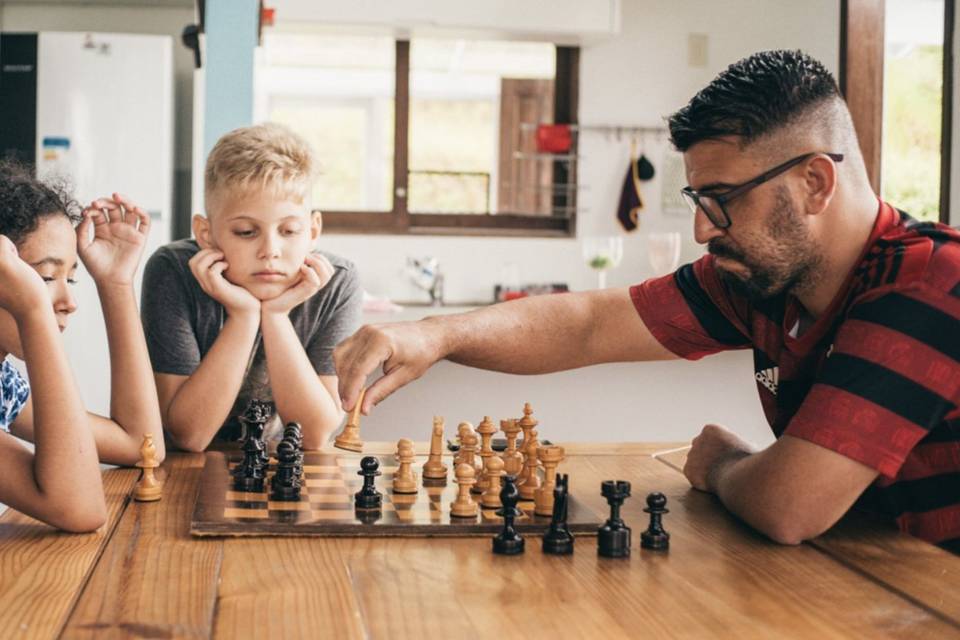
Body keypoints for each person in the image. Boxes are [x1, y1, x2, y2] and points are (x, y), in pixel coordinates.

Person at [333, 50, 960, 552]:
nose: (703, 231)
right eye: (697, 202)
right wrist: (434, 335)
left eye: (721, 199)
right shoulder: (762, 280)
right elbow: (587, 324)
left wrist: (722, 464)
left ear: (814, 183)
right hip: (864, 576)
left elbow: (788, 507)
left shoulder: (928, 285)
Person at [142, 123, 362, 451]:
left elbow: (314, 435)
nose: (269, 250)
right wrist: (243, 316)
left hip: (278, 467)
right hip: (181, 475)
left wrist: (275, 316)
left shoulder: (336, 281)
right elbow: (189, 435)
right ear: (206, 234)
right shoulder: (172, 271)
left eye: (288, 231)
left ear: (313, 231)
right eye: (246, 231)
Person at [0, 161, 163, 531]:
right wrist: (33, 310)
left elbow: (141, 444)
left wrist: (116, 284)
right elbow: (79, 509)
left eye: (70, 279)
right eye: (44, 277)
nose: (69, 301)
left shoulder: (4, 385)